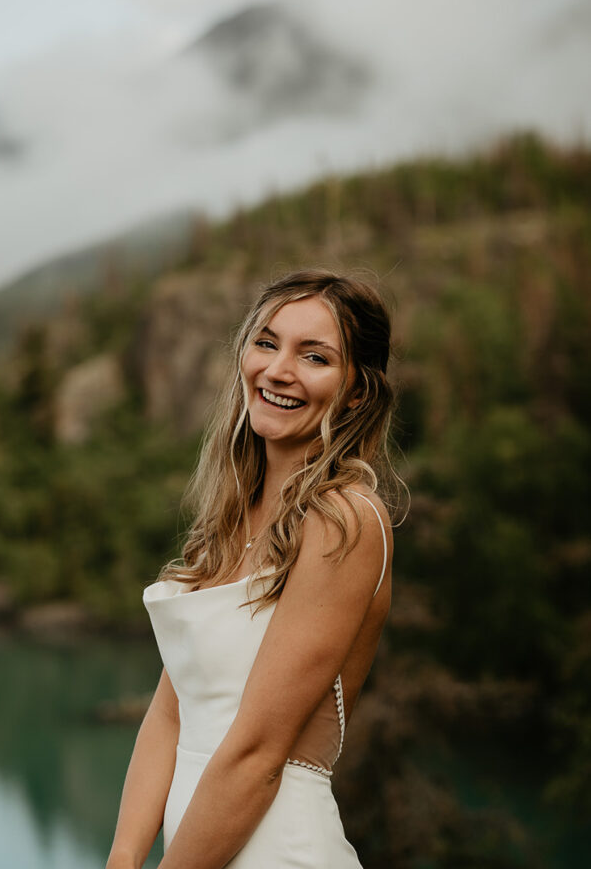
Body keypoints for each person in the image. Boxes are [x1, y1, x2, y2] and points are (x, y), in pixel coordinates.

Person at [106, 269, 406, 869]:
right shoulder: (229, 519)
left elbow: (258, 754)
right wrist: (123, 857)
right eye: (266, 342)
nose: (278, 370)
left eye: (314, 356)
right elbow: (171, 710)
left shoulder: (343, 519)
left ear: (355, 392)